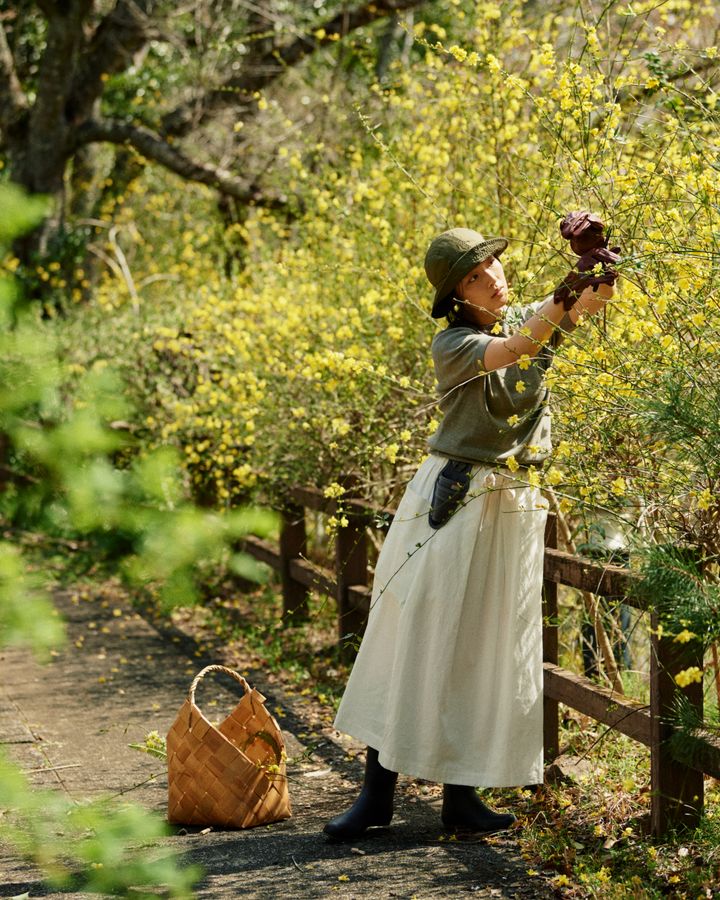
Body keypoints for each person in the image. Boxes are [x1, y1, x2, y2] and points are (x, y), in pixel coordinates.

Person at [324, 224, 619, 841]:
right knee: (415, 636)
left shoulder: (526, 326)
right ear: (458, 295)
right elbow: (514, 349)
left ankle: (461, 797)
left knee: (483, 647)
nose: (494, 278)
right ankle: (375, 795)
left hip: (511, 501)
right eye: (477, 275)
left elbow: (583, 309)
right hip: (454, 502)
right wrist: (562, 299)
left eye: (493, 267)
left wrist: (597, 263)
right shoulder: (454, 343)